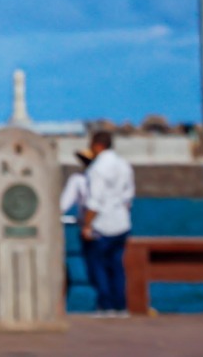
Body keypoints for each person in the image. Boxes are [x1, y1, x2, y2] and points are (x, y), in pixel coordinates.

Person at [81, 130, 136, 315]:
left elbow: (95, 200)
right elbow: (129, 196)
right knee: (117, 266)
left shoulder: (97, 168)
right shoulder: (124, 165)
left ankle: (106, 306)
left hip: (102, 225)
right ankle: (121, 306)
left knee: (98, 267)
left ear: (97, 146)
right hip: (122, 223)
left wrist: (87, 225)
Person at [60, 149, 95, 297]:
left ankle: (107, 305)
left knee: (98, 270)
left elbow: (61, 206)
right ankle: (113, 306)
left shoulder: (78, 180)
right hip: (115, 229)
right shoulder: (115, 175)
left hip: (92, 230)